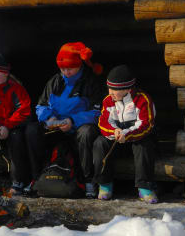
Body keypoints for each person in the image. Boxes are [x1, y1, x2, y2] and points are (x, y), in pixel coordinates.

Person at [35, 42, 104, 198]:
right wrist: (49, 117)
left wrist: (72, 120)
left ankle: (88, 180)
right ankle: (36, 177)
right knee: (33, 131)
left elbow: (97, 112)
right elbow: (40, 106)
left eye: (70, 68)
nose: (66, 72)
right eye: (63, 68)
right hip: (56, 127)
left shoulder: (90, 82)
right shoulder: (54, 81)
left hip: (78, 127)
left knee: (86, 133)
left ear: (79, 65)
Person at [0, 52, 44, 195]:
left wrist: (7, 126)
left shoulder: (16, 88)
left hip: (15, 126)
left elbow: (24, 110)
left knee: (16, 137)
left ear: (6, 73)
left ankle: (18, 181)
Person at [93, 65, 157, 203]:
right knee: (100, 143)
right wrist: (114, 131)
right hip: (117, 141)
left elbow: (146, 125)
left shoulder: (142, 100)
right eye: (109, 88)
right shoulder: (108, 101)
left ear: (127, 89)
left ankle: (145, 187)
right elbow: (103, 122)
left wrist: (126, 134)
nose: (110, 92)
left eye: (114, 90)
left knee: (144, 145)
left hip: (136, 139)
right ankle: (105, 185)